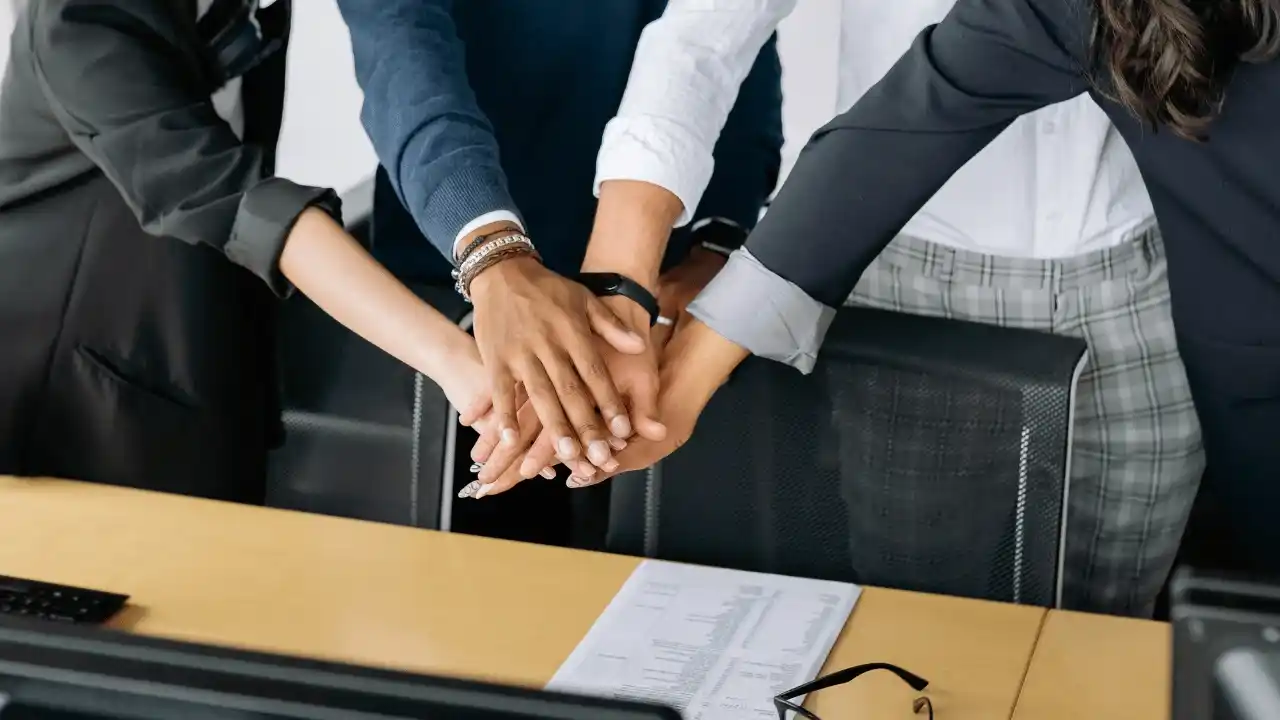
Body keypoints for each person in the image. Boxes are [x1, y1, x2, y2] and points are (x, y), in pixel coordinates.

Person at [473, 0, 1210, 617]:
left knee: (1118, 621)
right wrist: (618, 291)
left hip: (1150, 273)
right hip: (911, 276)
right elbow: (702, 37)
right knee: (916, 614)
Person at [0, 0, 500, 502]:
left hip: (204, 354)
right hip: (78, 395)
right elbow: (241, 201)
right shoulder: (80, 21)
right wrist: (458, 362)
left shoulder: (252, 8)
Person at [334, 1, 782, 536]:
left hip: (664, 290)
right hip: (461, 291)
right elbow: (402, 52)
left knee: (672, 568)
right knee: (485, 563)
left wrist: (719, 239)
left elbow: (723, 37)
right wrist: (492, 255)